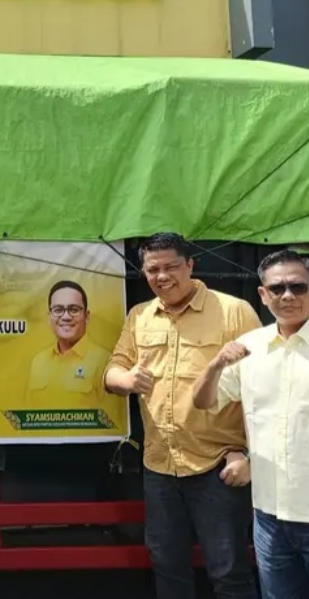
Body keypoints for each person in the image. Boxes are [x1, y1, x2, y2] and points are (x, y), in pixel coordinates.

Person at [192, 249, 309, 599]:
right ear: (263, 295)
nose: (288, 296)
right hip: (270, 520)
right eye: (277, 289)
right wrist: (215, 365)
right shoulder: (250, 348)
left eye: (298, 287)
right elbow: (204, 401)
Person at [103, 232, 261, 599]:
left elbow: (264, 389)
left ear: (190, 265)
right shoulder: (140, 316)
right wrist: (127, 380)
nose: (162, 276)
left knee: (229, 572)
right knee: (167, 568)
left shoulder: (234, 311)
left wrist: (248, 454)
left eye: (171, 266)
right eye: (152, 270)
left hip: (218, 465)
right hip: (161, 466)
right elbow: (112, 371)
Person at [26, 280, 111, 408]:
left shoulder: (105, 362)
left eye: (74, 309)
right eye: (58, 310)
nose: (66, 316)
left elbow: (114, 417)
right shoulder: (38, 362)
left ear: (87, 316)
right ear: (49, 317)